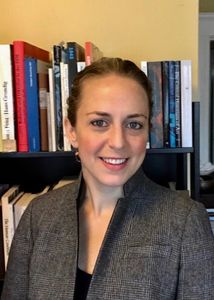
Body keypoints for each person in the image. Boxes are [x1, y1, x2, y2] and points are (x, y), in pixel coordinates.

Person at [1, 57, 214, 300]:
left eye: (134, 124)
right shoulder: (38, 216)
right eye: (99, 122)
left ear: (147, 132)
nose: (118, 142)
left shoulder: (185, 221)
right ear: (71, 131)